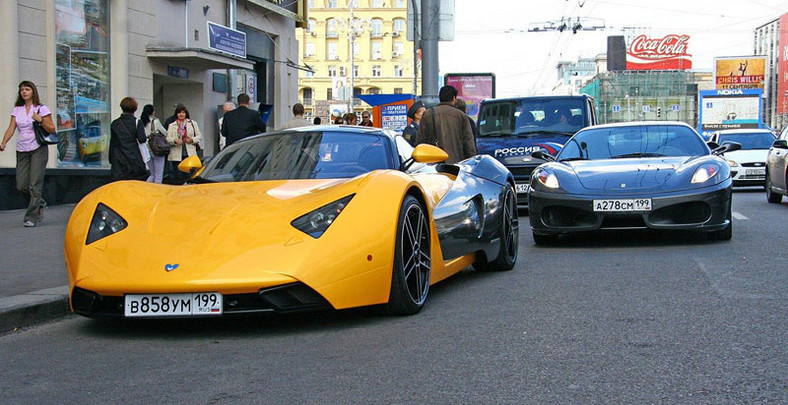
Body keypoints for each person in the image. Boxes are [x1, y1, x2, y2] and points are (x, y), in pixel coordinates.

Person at [0, 81, 55, 227]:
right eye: (22, 90)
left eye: (27, 89)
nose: (24, 92)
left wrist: (41, 119)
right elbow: (11, 128)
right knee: (21, 185)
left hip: (38, 148)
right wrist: (4, 142)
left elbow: (52, 128)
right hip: (22, 149)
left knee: (34, 184)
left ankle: (31, 217)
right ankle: (40, 203)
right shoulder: (17, 110)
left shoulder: (41, 108)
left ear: (33, 91)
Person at [416, 85, 477, 164]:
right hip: (456, 164)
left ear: (440, 98)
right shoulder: (461, 116)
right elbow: (469, 144)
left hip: (433, 164)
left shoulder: (428, 114)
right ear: (454, 98)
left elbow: (420, 141)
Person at [109, 97, 148, 182]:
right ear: (135, 108)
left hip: (119, 159)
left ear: (122, 107)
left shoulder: (115, 123)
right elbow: (142, 139)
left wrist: (111, 159)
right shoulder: (137, 122)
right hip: (134, 158)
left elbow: (113, 143)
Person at [166, 105, 202, 184]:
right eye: (179, 113)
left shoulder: (192, 123)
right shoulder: (172, 125)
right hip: (177, 154)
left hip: (189, 154)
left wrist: (192, 139)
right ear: (176, 114)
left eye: (183, 112)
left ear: (186, 113)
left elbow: (199, 136)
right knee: (178, 176)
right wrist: (175, 140)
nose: (181, 114)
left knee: (190, 175)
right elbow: (168, 139)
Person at [140, 104, 168, 184]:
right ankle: (156, 192)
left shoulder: (141, 122)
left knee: (152, 174)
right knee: (158, 175)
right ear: (152, 111)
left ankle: (145, 189)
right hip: (157, 148)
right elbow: (165, 133)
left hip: (146, 149)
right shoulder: (155, 121)